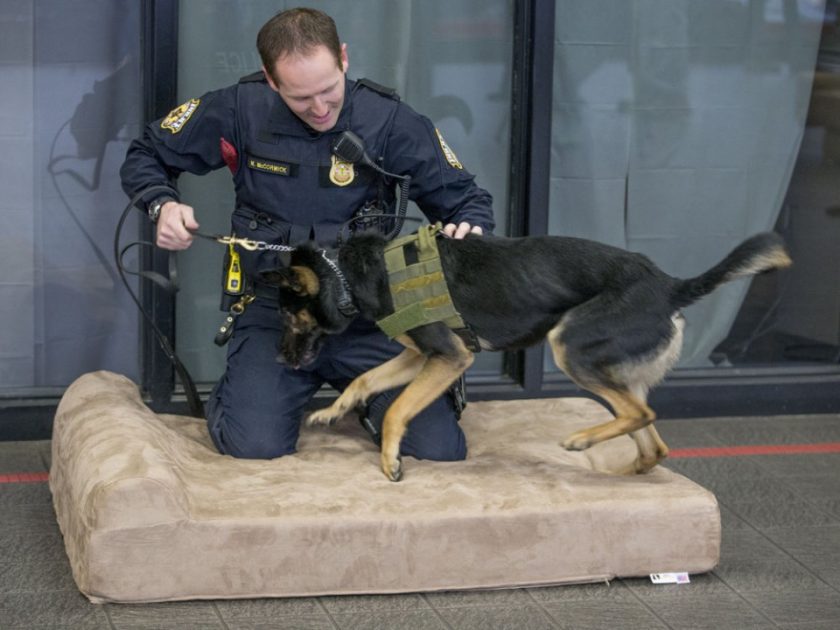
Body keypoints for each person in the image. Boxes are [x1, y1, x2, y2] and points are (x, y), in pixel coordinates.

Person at [120, 7, 495, 463]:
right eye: (301, 98)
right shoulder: (239, 109)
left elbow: (465, 199)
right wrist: (163, 205)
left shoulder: (391, 121)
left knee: (438, 450)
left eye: (329, 91)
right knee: (252, 445)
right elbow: (147, 154)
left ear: (343, 58)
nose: (319, 109)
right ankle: (247, 392)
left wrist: (468, 229)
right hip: (277, 312)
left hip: (375, 315)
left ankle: (374, 406)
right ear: (271, 79)